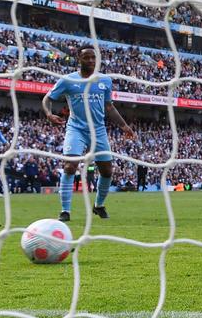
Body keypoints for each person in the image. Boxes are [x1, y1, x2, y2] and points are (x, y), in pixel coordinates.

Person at [42, 47, 136, 222]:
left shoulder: (105, 80)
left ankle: (98, 206)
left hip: (98, 130)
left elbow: (109, 107)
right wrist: (49, 114)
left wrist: (124, 126)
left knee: (107, 171)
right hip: (76, 128)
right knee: (70, 166)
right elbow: (47, 98)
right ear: (79, 59)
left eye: (94, 57)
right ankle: (65, 211)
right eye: (87, 57)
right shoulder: (68, 80)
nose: (91, 61)